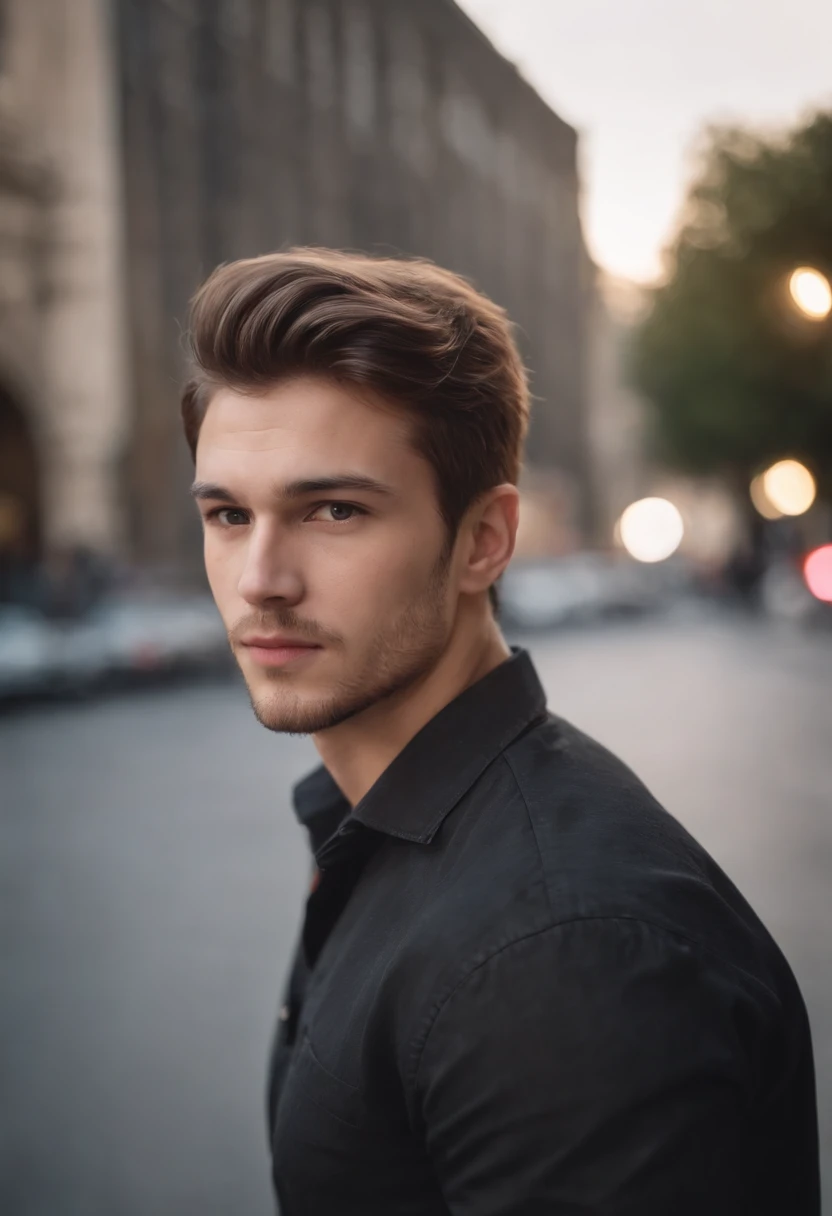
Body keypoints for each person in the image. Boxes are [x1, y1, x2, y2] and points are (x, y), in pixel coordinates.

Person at [180, 248, 819, 1215]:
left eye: (335, 510)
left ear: (484, 539)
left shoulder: (561, 959)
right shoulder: (398, 830)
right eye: (228, 514)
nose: (262, 577)